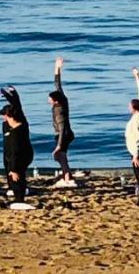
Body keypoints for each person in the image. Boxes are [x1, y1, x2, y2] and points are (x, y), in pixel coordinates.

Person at [0, 86, 34, 206]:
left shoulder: (20, 127)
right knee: (13, 175)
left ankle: (19, 199)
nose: (3, 118)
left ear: (9, 115)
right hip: (13, 154)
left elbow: (15, 151)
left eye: (5, 115)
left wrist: (13, 169)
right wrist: (10, 95)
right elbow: (16, 106)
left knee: (16, 175)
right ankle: (17, 196)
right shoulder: (8, 125)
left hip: (21, 155)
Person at [49, 57, 76, 187]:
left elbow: (62, 127)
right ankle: (67, 176)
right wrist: (57, 67)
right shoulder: (62, 99)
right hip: (66, 133)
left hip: (64, 134)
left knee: (60, 155)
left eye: (50, 99)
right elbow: (57, 84)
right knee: (61, 156)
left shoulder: (59, 111)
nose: (48, 100)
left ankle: (67, 179)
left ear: (55, 101)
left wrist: (59, 145)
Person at [127, 68, 139, 189]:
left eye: (130, 106)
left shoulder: (138, 119)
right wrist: (137, 77)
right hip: (138, 150)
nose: (128, 108)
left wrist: (136, 155)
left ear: (135, 108)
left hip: (138, 151)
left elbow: (138, 137)